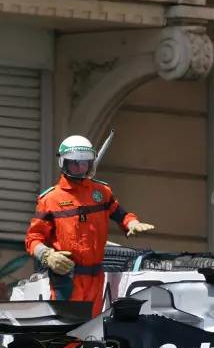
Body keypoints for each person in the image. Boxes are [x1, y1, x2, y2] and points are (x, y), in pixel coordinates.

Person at [25, 135, 154, 317]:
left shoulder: (101, 192)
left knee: (91, 330)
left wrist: (132, 224)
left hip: (96, 276)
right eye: (74, 163)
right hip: (67, 276)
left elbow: (120, 215)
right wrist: (47, 255)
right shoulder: (51, 200)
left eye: (84, 163)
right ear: (63, 163)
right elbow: (32, 239)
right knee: (69, 330)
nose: (80, 168)